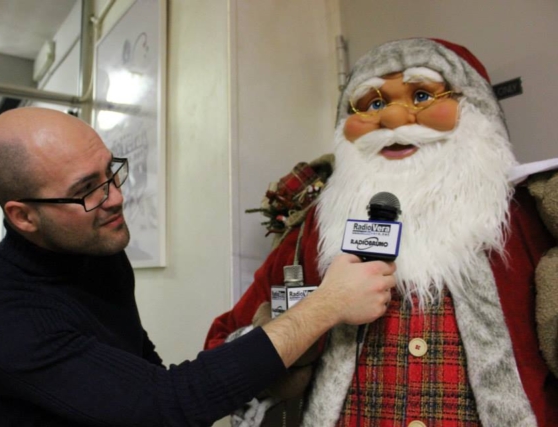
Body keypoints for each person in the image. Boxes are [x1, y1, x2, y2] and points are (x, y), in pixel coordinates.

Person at [0, 106, 397, 426]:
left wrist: (269, 364)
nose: (116, 197)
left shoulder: (95, 251)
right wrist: (327, 304)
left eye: (110, 171)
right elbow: (164, 406)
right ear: (24, 217)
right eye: (87, 190)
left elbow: (147, 370)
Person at [204, 38, 558, 426]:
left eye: (421, 95)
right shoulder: (316, 231)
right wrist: (293, 336)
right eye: (372, 104)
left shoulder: (526, 218)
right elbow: (224, 344)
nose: (392, 118)